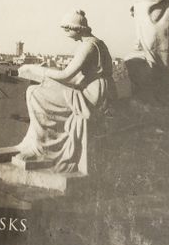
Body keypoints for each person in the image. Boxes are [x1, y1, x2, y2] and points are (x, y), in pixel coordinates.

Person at [15, 10, 115, 173]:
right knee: (38, 90)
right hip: (92, 89)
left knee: (34, 93)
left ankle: (42, 147)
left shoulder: (88, 46)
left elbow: (65, 75)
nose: (66, 33)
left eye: (67, 30)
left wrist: (34, 69)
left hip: (90, 95)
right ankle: (32, 142)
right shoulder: (95, 42)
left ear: (77, 28)